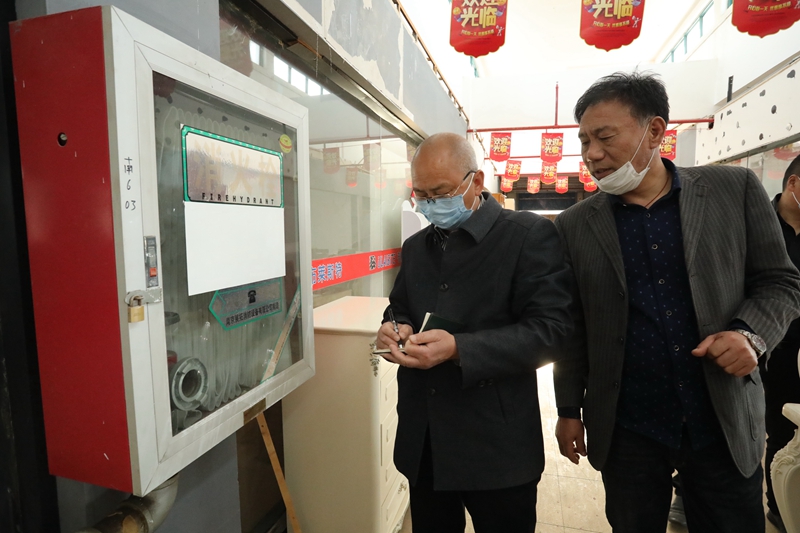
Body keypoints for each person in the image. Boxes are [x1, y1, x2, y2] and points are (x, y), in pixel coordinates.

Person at [552, 71, 800, 533]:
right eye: (584, 141)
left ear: (654, 131)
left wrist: (750, 335)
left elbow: (781, 281)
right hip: (628, 425)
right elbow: (574, 327)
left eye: (605, 137)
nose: (592, 154)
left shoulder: (733, 191)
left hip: (720, 416)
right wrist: (569, 410)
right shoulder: (574, 225)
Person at [375, 132, 573, 533]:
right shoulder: (416, 247)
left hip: (496, 444)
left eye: (441, 193)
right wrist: (395, 326)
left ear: (476, 181)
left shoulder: (526, 236)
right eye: (421, 195)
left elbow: (553, 330)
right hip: (425, 438)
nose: (431, 204)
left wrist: (459, 349)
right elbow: (400, 305)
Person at [764, 152, 800, 533]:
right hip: (763, 345)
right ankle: (779, 505)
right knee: (773, 428)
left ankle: (786, 505)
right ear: (793, 183)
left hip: (799, 352)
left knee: (789, 429)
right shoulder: (759, 223)